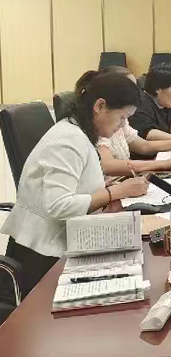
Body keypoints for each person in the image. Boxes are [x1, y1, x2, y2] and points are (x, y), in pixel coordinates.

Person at [0, 70, 149, 297]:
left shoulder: (79, 131)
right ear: (100, 106)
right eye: (122, 117)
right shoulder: (68, 140)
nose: (123, 125)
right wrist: (114, 192)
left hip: (66, 240)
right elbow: (58, 205)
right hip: (44, 258)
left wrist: (104, 190)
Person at [95, 67, 171, 175]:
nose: (136, 93)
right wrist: (163, 163)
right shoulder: (102, 123)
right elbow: (108, 166)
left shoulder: (121, 118)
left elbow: (143, 146)